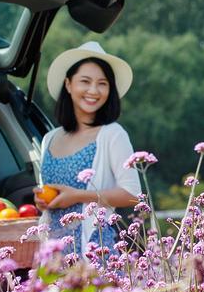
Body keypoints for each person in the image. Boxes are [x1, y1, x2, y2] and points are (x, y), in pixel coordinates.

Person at [35, 42, 142, 260]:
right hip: (53, 258)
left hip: (95, 254)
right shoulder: (49, 138)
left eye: (102, 84)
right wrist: (42, 202)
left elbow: (134, 196)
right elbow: (48, 192)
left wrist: (78, 196)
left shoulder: (112, 134)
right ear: (68, 84)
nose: (93, 91)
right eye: (85, 81)